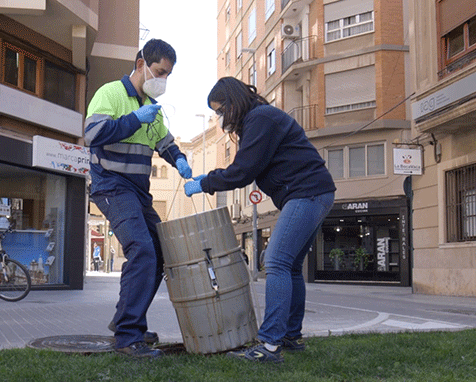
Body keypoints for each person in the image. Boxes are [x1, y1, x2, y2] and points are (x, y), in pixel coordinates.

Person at [184, 77, 336, 363]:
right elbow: (246, 167)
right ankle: (289, 335)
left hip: (307, 193)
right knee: (289, 266)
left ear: (233, 103)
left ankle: (269, 345)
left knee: (276, 261)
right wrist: (213, 178)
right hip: (315, 193)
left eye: (219, 110)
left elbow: (243, 171)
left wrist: (206, 183)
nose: (219, 118)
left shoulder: (260, 118)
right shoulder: (258, 119)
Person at [84, 38, 192, 358]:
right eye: (160, 72)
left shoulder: (152, 111)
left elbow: (165, 143)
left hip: (138, 192)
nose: (163, 80)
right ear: (141, 64)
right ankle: (128, 337)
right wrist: (134, 119)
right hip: (111, 185)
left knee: (160, 253)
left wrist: (181, 160)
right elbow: (93, 135)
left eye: (168, 75)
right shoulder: (111, 94)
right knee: (142, 249)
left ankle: (127, 323)